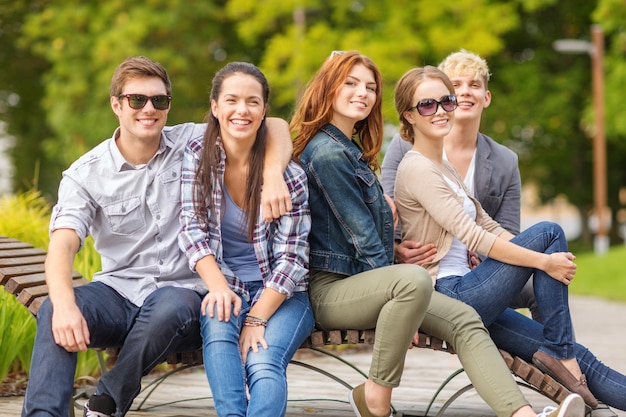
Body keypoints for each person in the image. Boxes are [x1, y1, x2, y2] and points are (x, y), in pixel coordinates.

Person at [290, 51, 584, 417]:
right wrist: (397, 299)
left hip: (376, 284)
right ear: (328, 87)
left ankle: (523, 415)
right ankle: (376, 401)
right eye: (350, 83)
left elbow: (375, 238)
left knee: (465, 320)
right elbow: (363, 238)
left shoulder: (352, 151)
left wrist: (397, 267)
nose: (361, 93)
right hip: (334, 290)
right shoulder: (329, 154)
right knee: (413, 282)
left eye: (369, 86)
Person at [22, 56, 294, 417]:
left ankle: (107, 399)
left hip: (188, 300)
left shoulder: (192, 143)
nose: (148, 109)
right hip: (120, 293)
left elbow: (271, 123)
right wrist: (66, 304)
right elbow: (63, 245)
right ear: (116, 105)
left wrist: (273, 172)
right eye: (137, 100)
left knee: (170, 302)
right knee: (56, 306)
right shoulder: (86, 174)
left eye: (159, 101)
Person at [393, 64, 626, 412]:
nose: (440, 111)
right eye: (427, 105)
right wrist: (543, 260)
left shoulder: (442, 164)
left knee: (581, 356)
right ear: (409, 115)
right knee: (549, 233)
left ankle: (561, 355)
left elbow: (487, 224)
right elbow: (471, 234)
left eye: (446, 100)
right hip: (447, 294)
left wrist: (538, 257)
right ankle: (560, 353)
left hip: (469, 290)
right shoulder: (417, 168)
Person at [178, 62, 314, 417]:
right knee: (218, 325)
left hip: (282, 295)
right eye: (232, 100)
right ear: (215, 107)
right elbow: (192, 231)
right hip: (227, 284)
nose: (242, 110)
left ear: (264, 111)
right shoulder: (197, 158)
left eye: (253, 102)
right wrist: (219, 289)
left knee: (263, 362)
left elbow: (293, 260)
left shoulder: (290, 177)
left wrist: (256, 319)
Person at [381, 49, 539, 321]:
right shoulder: (406, 147)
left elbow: (507, 229)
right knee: (548, 243)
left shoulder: (505, 160)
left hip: (482, 269)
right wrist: (395, 250)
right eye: (455, 86)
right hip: (427, 273)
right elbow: (385, 211)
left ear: (486, 97)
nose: (465, 92)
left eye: (474, 85)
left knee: (541, 282)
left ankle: (555, 353)